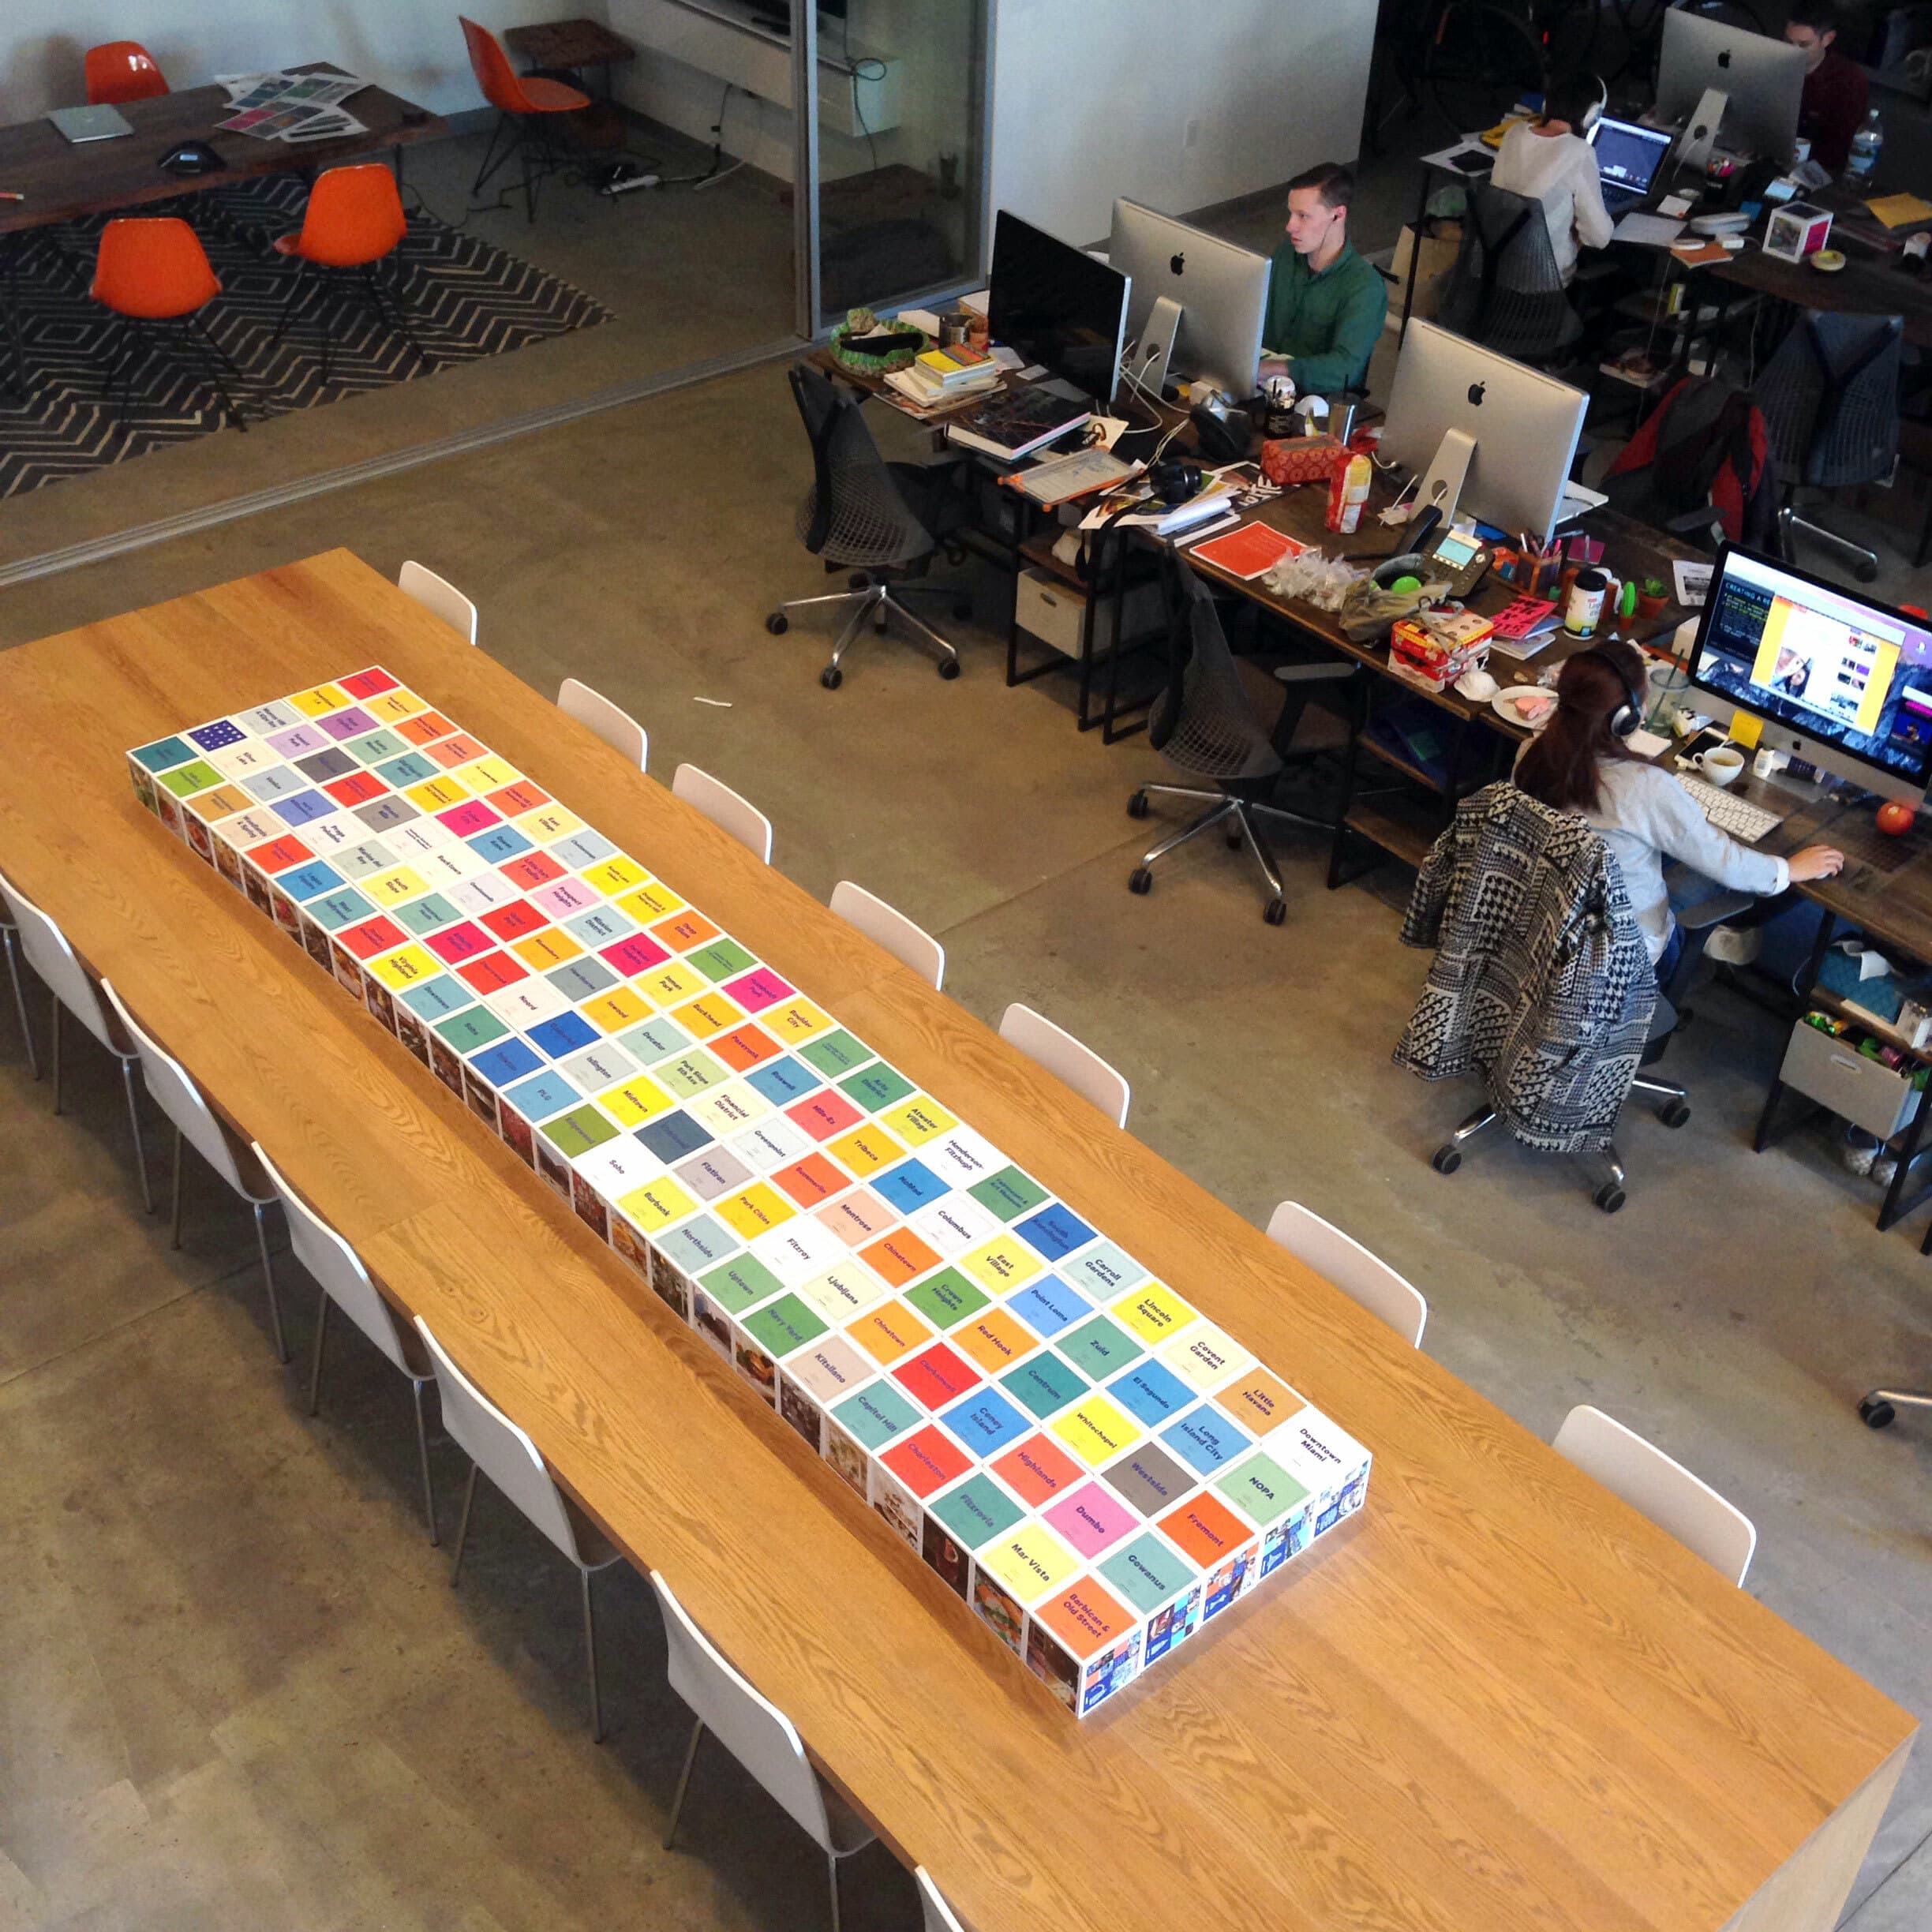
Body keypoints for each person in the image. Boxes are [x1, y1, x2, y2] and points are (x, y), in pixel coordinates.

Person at [1514, 642, 1843, 988]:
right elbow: (1724, 861)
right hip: (1623, 960)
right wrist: (1789, 869)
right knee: (1722, 865)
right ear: (1626, 719)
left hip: (1543, 927)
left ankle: (1708, 929)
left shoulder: (1530, 756)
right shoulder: (1644, 787)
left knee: (1668, 851)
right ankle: (1707, 935)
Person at [1259, 163, 1387, 397]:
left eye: (1303, 216)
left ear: (1338, 215)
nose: (1290, 226)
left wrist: (1272, 369)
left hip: (1317, 400)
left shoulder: (1364, 286)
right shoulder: (1286, 254)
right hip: (1263, 384)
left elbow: (1345, 369)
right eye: (1291, 213)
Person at [1487, 75, 1615, 286]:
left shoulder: (1514, 133)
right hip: (1543, 284)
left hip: (1494, 270)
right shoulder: (1580, 152)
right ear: (1592, 116)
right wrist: (1576, 232)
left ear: (1546, 105)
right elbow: (1600, 237)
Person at [1786, 0, 1870, 175]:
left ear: (1828, 39)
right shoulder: (1774, 64)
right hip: (1771, 156)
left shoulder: (1849, 81)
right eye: (1788, 41)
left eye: (1803, 45)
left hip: (1819, 170)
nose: (1792, 51)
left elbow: (1837, 153)